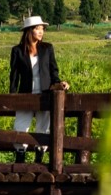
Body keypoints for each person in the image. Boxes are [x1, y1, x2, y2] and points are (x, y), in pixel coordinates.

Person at [9, 15, 68, 163]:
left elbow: (53, 71)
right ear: (29, 31)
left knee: (43, 127)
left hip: (45, 95)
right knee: (20, 126)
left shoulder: (47, 48)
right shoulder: (17, 50)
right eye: (37, 28)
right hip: (25, 95)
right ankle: (20, 157)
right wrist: (12, 96)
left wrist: (59, 83)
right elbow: (14, 76)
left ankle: (39, 158)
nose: (41, 32)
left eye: (42, 29)